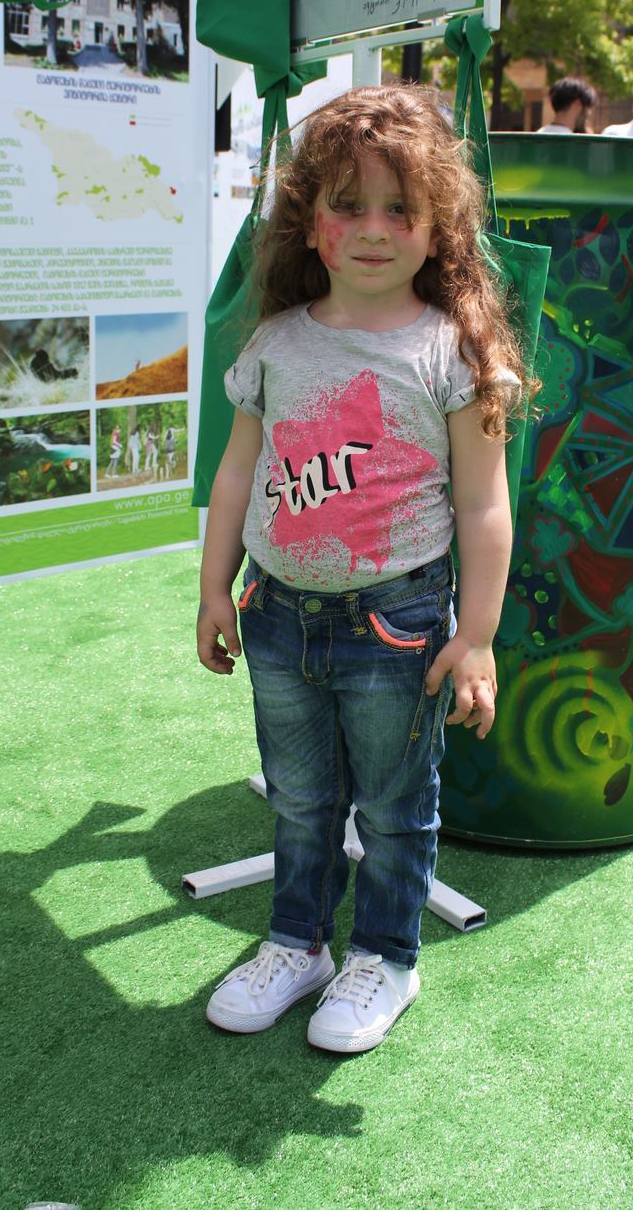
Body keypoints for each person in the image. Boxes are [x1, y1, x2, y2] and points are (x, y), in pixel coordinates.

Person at [196, 84, 525, 1054]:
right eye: (348, 205)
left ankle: (385, 955)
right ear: (310, 221)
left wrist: (476, 637)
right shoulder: (273, 344)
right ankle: (297, 943)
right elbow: (236, 475)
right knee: (298, 799)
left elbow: (485, 506)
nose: (374, 229)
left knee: (391, 807)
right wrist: (214, 588)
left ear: (439, 228)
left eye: (400, 209)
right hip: (276, 617)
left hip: (398, 624)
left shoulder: (454, 353)